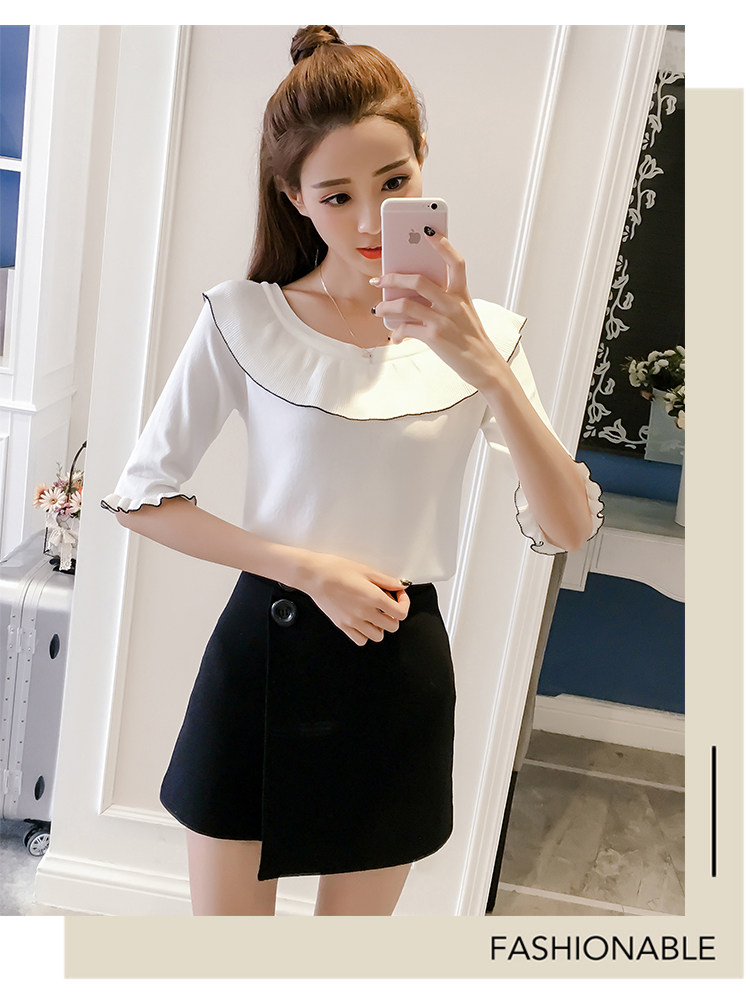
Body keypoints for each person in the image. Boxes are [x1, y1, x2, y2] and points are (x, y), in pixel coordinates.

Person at [101, 25, 604, 917]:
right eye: (337, 195)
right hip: (262, 656)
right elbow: (142, 497)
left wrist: (483, 363)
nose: (371, 221)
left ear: (422, 165)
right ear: (294, 198)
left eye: (394, 183)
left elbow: (567, 527)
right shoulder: (243, 318)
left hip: (395, 669)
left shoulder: (487, 336)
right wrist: (307, 569)